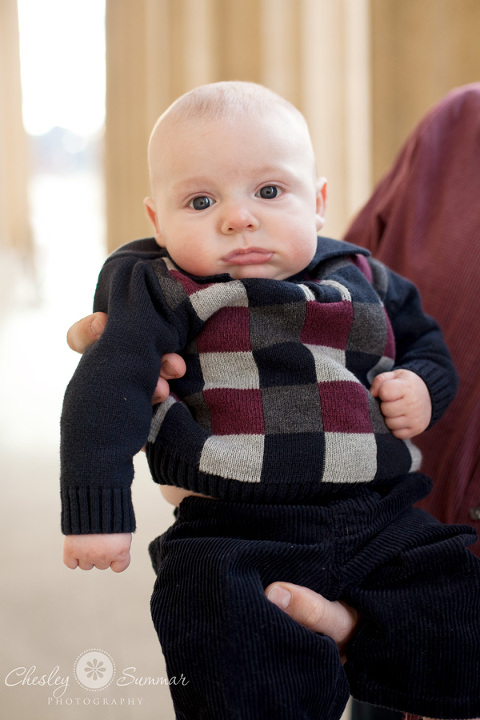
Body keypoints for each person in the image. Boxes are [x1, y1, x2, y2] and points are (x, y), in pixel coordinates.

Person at [60, 82, 480, 720]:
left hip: (377, 510)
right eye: (201, 201)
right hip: (234, 520)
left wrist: (423, 385)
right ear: (157, 220)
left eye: (269, 191)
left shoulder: (361, 275)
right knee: (216, 624)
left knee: (452, 602)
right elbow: (106, 389)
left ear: (319, 203)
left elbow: (426, 341)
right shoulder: (158, 285)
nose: (238, 219)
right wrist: (97, 510)